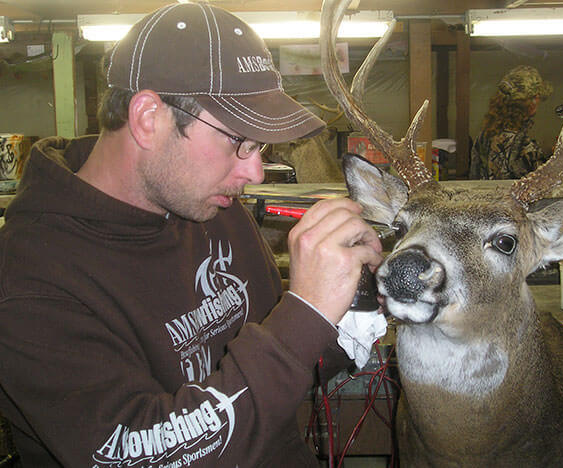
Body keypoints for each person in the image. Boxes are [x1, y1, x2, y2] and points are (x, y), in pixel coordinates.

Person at [0, 3, 383, 467]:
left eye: (258, 145)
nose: (255, 171)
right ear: (147, 118)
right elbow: (144, 453)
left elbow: (278, 370)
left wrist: (351, 305)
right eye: (237, 140)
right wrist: (302, 315)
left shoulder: (209, 206)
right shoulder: (29, 279)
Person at [470, 65, 553, 180]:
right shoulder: (524, 147)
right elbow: (541, 187)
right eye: (536, 96)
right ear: (532, 103)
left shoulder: (484, 137)